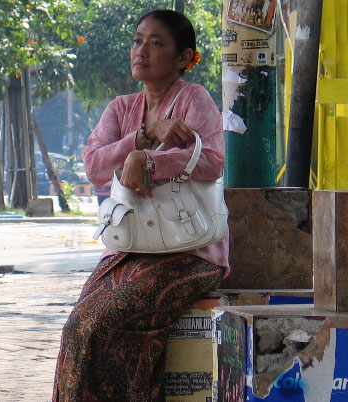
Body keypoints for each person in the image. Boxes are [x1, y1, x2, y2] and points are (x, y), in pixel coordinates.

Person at [52, 9, 229, 402]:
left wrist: (149, 161)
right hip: (130, 247)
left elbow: (212, 160)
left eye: (155, 42)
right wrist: (142, 138)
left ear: (184, 57)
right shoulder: (121, 109)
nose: (141, 51)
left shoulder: (194, 100)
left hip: (191, 250)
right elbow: (94, 167)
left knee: (107, 323)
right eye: (137, 41)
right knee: (78, 327)